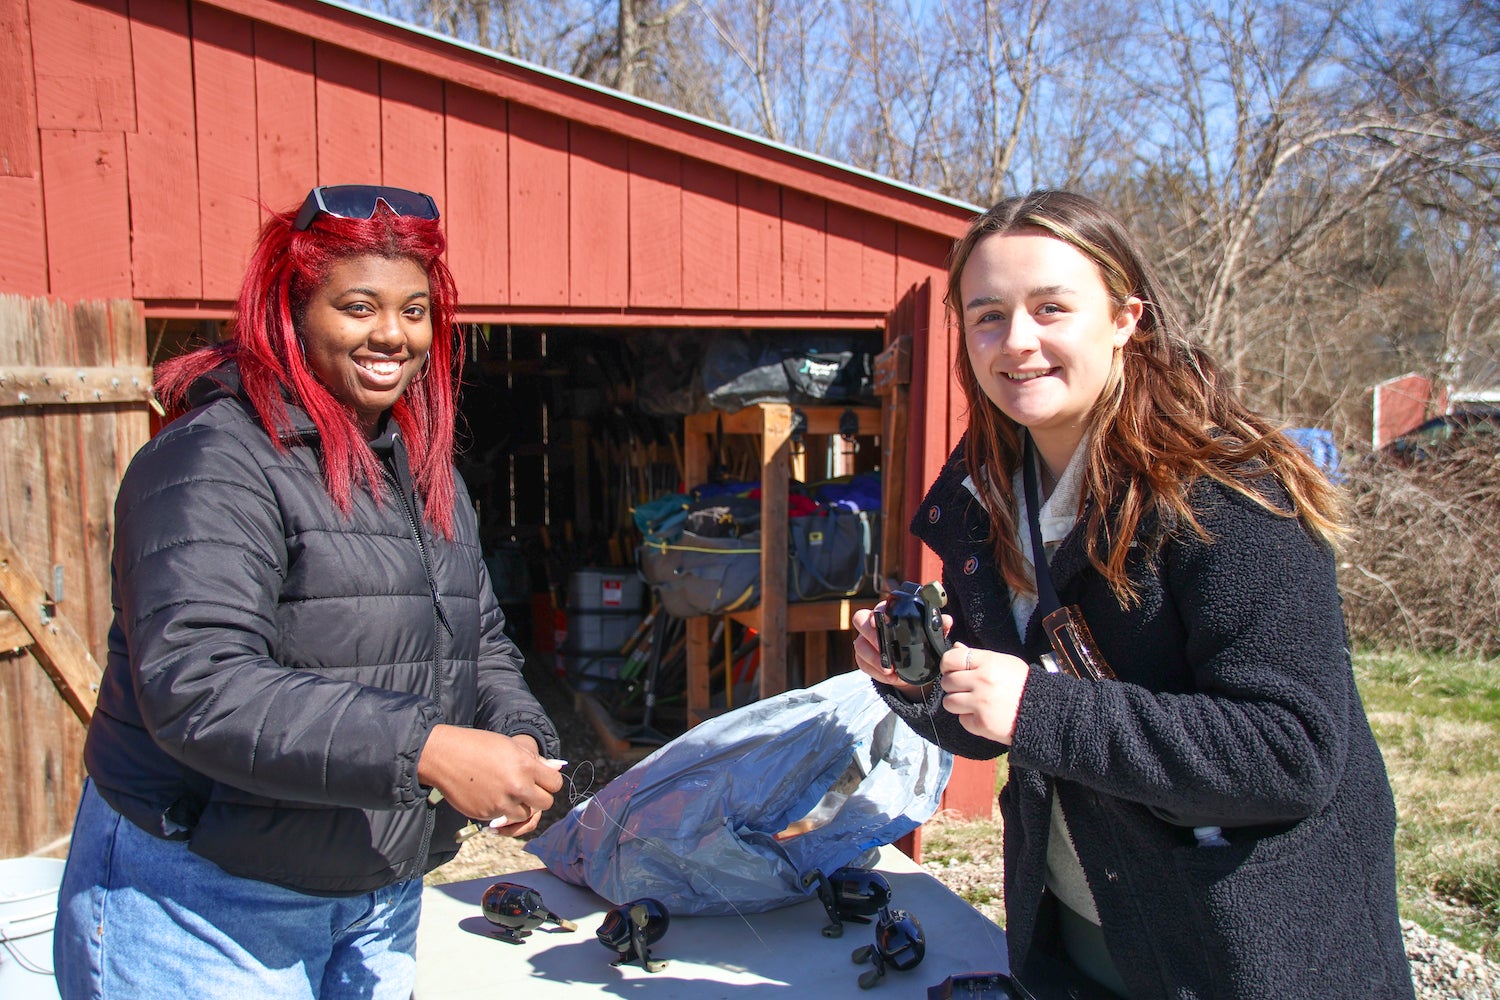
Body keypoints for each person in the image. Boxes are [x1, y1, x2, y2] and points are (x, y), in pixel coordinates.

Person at [852, 190, 1414, 999]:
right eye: (987, 315)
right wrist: (915, 679)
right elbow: (985, 734)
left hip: (1239, 945)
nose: (1017, 342)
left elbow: (1293, 753)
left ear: (1125, 318)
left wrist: (1036, 707)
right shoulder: (981, 495)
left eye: (1051, 308)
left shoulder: (1227, 496)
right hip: (1077, 920)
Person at [54, 185, 564, 999]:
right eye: (359, 306)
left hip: (375, 895)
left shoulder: (422, 472)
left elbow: (480, 644)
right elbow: (200, 685)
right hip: (207, 902)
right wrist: (429, 750)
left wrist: (522, 738)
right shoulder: (217, 461)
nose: (392, 334)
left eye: (415, 310)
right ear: (291, 312)